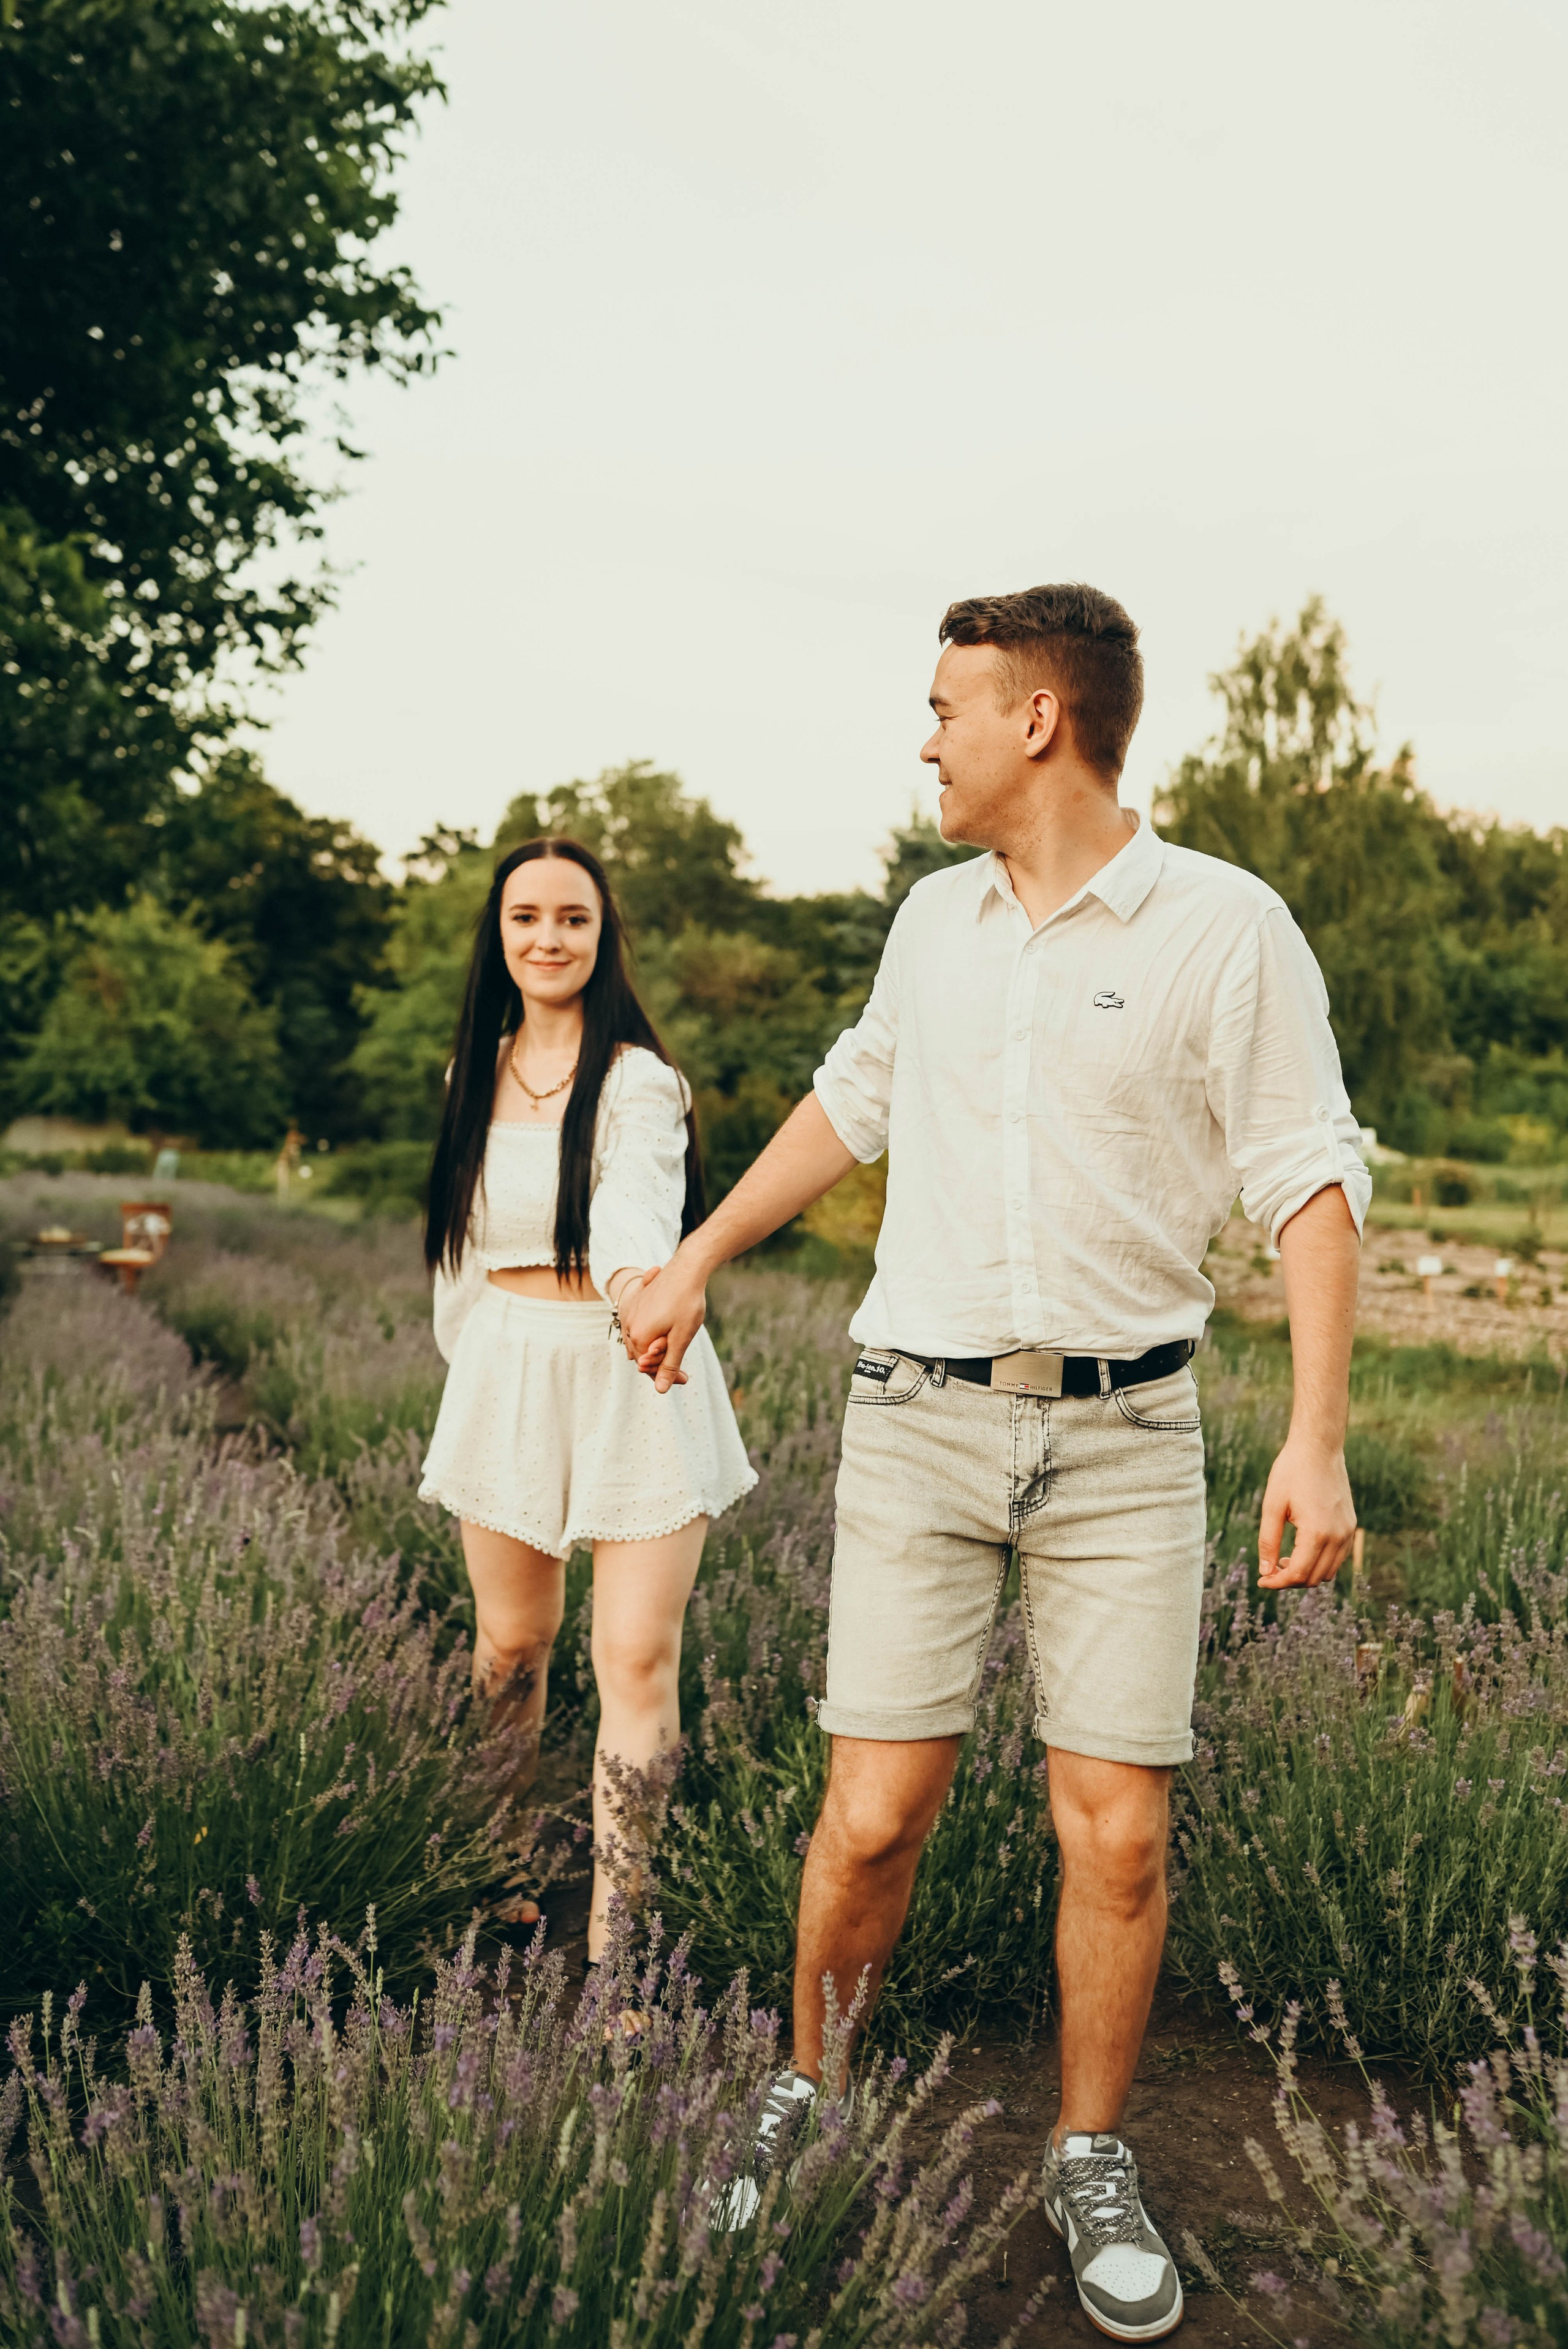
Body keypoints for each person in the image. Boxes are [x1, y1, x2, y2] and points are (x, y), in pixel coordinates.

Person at [622, 584, 1368, 2342]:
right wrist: (698, 1252)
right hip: (919, 1422)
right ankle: (806, 2091)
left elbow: (1309, 1174)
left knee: (1116, 1835)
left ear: (1038, 719)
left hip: (1127, 1436)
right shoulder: (930, 924)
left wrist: (1318, 1438)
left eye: (946, 707)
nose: (925, 741)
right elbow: (852, 1099)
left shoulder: (1226, 926)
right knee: (872, 1813)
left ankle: (1087, 2154)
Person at [418, 836, 756, 1968]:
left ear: (603, 935)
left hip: (630, 1367)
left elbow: (635, 1207)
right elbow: (461, 1250)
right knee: (511, 1647)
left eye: (573, 917)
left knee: (635, 1658)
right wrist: (472, 1372)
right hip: (509, 1371)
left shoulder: (639, 1080)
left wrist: (633, 1291)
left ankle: (620, 1940)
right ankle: (498, 1867)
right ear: (500, 933)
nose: (548, 938)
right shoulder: (473, 1073)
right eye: (527, 918)